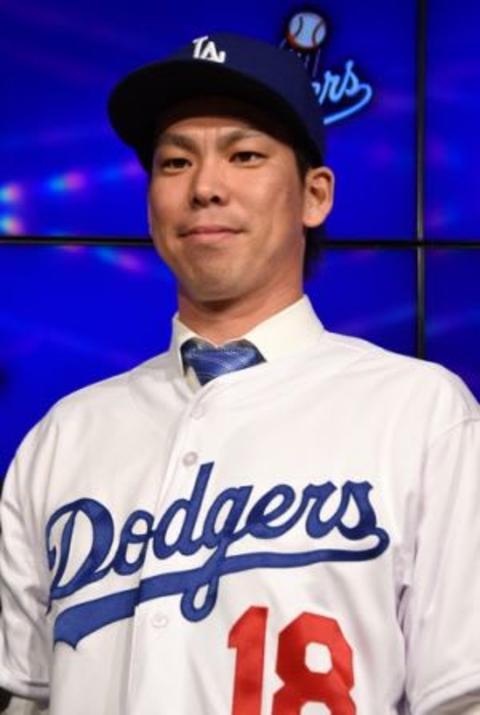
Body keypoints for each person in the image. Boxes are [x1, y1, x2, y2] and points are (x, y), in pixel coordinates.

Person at [0, 32, 479, 715]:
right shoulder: (65, 434)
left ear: (315, 195)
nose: (205, 188)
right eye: (174, 162)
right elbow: (24, 693)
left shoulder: (422, 413)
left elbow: (461, 694)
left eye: (245, 154)